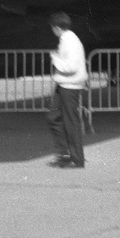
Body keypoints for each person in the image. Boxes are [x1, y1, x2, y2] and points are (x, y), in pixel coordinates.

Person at [46, 11, 88, 168]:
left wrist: (55, 58)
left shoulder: (70, 42)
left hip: (69, 86)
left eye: (52, 27)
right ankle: (64, 153)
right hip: (64, 85)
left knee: (71, 122)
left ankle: (77, 159)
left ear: (57, 27)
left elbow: (70, 67)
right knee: (53, 117)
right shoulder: (66, 40)